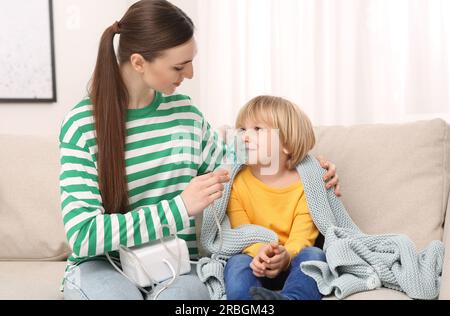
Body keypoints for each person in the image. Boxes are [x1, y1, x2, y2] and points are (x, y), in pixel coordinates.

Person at [59, 0, 340, 300]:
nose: (190, 74)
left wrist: (311, 169)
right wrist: (180, 208)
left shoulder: (186, 116)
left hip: (175, 264)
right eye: (179, 66)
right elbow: (84, 233)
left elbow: (243, 157)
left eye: (191, 61)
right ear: (139, 62)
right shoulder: (82, 126)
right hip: (103, 265)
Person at [224, 96, 327, 300]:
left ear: (287, 145)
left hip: (293, 260)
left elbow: (302, 238)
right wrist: (260, 253)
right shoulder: (235, 183)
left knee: (315, 256)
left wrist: (285, 256)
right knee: (236, 263)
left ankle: (290, 298)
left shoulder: (307, 184)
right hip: (256, 261)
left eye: (257, 129)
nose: (244, 137)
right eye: (242, 129)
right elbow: (241, 232)